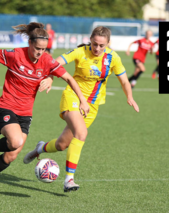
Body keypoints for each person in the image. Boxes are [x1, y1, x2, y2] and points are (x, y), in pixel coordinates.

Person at [0, 22, 89, 194]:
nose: (40, 52)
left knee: (12, 154)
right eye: (37, 48)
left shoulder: (47, 61)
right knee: (15, 142)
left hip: (25, 114)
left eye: (43, 49)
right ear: (29, 43)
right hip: (6, 106)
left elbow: (69, 78)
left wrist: (82, 99)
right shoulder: (16, 54)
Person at [23, 26, 139, 192]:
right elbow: (55, 63)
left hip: (92, 106)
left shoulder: (113, 57)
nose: (97, 48)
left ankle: (39, 148)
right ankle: (69, 180)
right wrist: (49, 77)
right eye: (94, 44)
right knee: (81, 134)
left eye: (102, 45)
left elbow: (125, 81)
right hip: (73, 98)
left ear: (108, 43)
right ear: (90, 40)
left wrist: (130, 97)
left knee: (62, 144)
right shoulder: (80, 52)